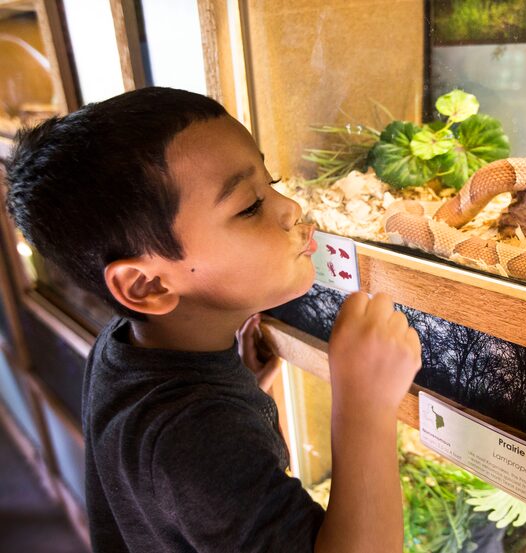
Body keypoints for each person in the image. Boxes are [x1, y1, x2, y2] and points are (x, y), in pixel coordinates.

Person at [4, 86, 422, 552]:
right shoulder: (190, 438)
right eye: (249, 205)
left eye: (274, 181)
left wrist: (242, 380)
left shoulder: (123, 347)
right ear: (147, 285)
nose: (290, 209)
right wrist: (366, 402)